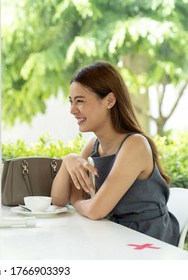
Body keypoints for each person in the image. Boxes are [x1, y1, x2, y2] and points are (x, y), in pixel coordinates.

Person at [51, 61, 179, 246]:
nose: (72, 110)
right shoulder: (95, 145)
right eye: (71, 102)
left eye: (80, 101)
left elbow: (96, 210)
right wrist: (68, 161)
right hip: (116, 234)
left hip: (149, 242)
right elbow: (59, 200)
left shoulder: (135, 145)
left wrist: (77, 202)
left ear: (109, 101)